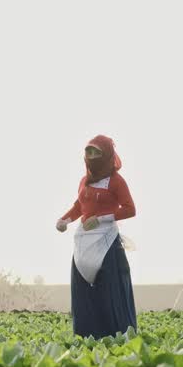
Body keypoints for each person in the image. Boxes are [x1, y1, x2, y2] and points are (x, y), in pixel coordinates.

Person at [55, 134, 138, 339]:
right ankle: (86, 335)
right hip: (84, 242)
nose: (91, 156)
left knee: (111, 292)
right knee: (83, 291)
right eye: (88, 151)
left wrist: (101, 219)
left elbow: (130, 209)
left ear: (107, 155)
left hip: (107, 241)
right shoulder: (85, 181)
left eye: (96, 152)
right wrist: (65, 220)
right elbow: (79, 206)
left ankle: (117, 335)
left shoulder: (117, 182)